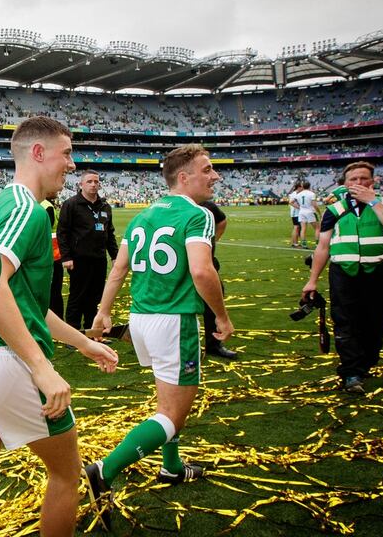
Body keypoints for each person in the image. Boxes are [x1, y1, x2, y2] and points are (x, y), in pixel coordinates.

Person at [0, 117, 118, 536]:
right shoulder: (25, 209)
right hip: (9, 360)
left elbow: (27, 304)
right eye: (66, 153)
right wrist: (39, 365)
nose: (71, 165)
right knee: (68, 475)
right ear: (38, 153)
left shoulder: (5, 204)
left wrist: (83, 343)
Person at [86, 144, 234, 528]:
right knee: (173, 413)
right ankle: (104, 470)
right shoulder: (197, 215)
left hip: (142, 320)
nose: (215, 175)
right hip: (175, 321)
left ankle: (171, 467)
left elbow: (117, 271)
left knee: (164, 400)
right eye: (207, 169)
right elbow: (202, 272)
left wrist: (103, 312)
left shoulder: (142, 216)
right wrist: (221, 315)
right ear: (183, 178)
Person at [301, 161, 383, 395]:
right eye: (353, 180)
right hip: (344, 273)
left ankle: (365, 362)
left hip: (378, 272)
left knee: (376, 321)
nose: (358, 183)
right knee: (345, 321)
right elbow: (323, 247)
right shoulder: (334, 210)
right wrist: (312, 280)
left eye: (363, 179)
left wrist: (373, 201)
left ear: (373, 181)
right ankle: (351, 371)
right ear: (345, 184)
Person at [57, 170, 118, 330]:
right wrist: (66, 257)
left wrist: (115, 256)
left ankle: (92, 331)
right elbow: (62, 233)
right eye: (89, 181)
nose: (93, 185)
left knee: (95, 297)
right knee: (77, 296)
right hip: (78, 259)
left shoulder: (105, 206)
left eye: (96, 182)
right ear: (81, 184)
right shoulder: (71, 204)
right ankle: (74, 332)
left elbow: (109, 232)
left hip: (99, 258)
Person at [200, 200, 238, 360]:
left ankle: (214, 344)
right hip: (180, 264)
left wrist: (213, 241)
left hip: (205, 261)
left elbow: (222, 220)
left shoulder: (207, 206)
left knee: (214, 298)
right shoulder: (178, 206)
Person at [40, 194, 64, 318]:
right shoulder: (47, 206)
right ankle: (57, 320)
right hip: (52, 255)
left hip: (43, 255)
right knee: (54, 292)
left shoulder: (39, 204)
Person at [294, 181, 319, 248]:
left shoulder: (298, 194)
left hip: (302, 212)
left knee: (303, 228)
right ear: (309, 186)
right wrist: (319, 212)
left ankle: (304, 244)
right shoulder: (312, 194)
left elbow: (295, 202)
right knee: (317, 228)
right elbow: (314, 205)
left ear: (303, 186)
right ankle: (317, 244)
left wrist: (300, 207)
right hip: (310, 211)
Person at [288, 182, 303, 247]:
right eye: (302, 187)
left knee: (297, 227)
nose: (303, 188)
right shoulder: (294, 194)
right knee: (296, 227)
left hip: (297, 213)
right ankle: (295, 243)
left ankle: (294, 242)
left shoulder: (297, 193)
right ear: (299, 187)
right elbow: (291, 203)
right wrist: (300, 208)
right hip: (295, 213)